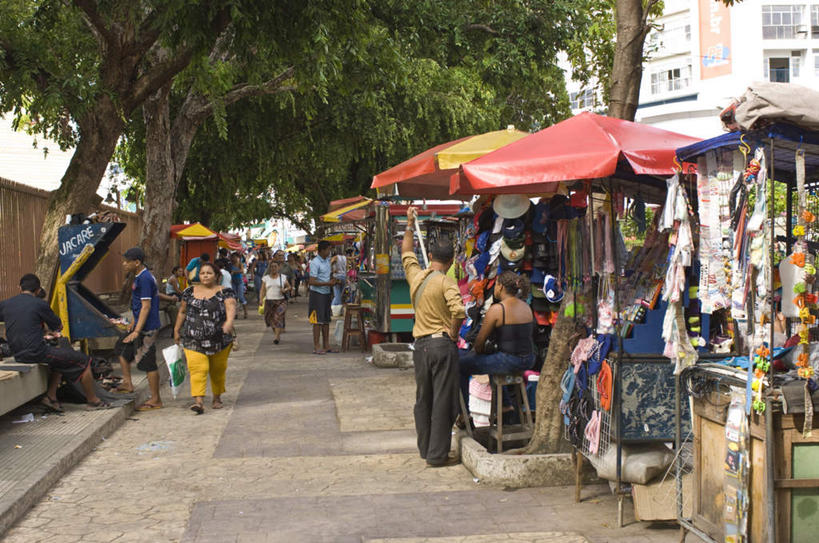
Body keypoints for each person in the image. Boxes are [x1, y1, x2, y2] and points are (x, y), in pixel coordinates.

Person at [402, 207, 465, 467]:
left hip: (421, 347)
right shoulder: (446, 281)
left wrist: (409, 224)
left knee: (423, 399)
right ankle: (438, 455)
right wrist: (453, 332)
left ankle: (426, 449)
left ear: (429, 256)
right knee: (442, 400)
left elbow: (406, 253)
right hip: (441, 344)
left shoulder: (417, 278)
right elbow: (459, 311)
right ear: (451, 261)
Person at [0, 274, 110, 410]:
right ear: (39, 290)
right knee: (84, 361)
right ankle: (93, 401)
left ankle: (51, 397)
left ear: (19, 288)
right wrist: (48, 331)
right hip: (36, 352)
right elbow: (58, 327)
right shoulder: (39, 304)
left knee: (60, 359)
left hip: (17, 353)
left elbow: (22, 321)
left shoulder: (6, 304)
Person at [458, 271, 535, 418]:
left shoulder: (497, 309)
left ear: (499, 286)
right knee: (492, 359)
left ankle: (464, 414)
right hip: (528, 359)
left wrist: (476, 352)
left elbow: (479, 344)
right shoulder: (526, 306)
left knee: (460, 364)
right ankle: (505, 405)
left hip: (509, 360)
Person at [174, 262, 236, 414]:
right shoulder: (188, 292)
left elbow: (231, 307)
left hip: (219, 340)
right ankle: (199, 401)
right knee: (198, 369)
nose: (205, 276)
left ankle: (217, 397)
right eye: (202, 273)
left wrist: (229, 322)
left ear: (216, 276)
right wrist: (176, 329)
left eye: (209, 273)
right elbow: (182, 311)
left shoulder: (225, 292)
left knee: (218, 370)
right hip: (192, 339)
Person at [114, 247, 163, 411]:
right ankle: (128, 383)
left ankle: (156, 399)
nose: (123, 264)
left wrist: (137, 331)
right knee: (121, 348)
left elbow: (146, 306)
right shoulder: (138, 277)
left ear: (137, 262)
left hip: (147, 328)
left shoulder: (145, 278)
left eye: (127, 261)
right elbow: (138, 304)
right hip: (139, 325)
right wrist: (133, 323)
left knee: (148, 363)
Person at [308, 240, 337, 354]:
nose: (330, 252)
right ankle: (316, 346)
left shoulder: (327, 262)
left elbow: (326, 276)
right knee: (317, 321)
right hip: (317, 294)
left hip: (326, 293)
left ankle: (326, 345)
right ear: (322, 250)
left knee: (326, 320)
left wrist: (333, 280)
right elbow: (312, 281)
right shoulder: (315, 263)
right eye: (328, 249)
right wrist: (327, 283)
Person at [260, 262, 292, 344]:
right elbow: (263, 290)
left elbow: (289, 287)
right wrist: (261, 299)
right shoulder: (265, 278)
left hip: (280, 301)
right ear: (270, 268)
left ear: (278, 268)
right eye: (272, 267)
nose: (273, 268)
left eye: (275, 266)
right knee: (269, 320)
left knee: (278, 317)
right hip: (269, 301)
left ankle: (277, 337)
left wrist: (285, 290)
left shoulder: (283, 277)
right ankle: (276, 333)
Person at [230, 253, 248, 319]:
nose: (234, 259)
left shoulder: (240, 264)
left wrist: (234, 272)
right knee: (234, 298)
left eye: (235, 257)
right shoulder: (230, 264)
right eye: (233, 257)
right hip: (233, 282)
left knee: (241, 297)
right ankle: (235, 313)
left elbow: (242, 271)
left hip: (240, 282)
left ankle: (245, 312)